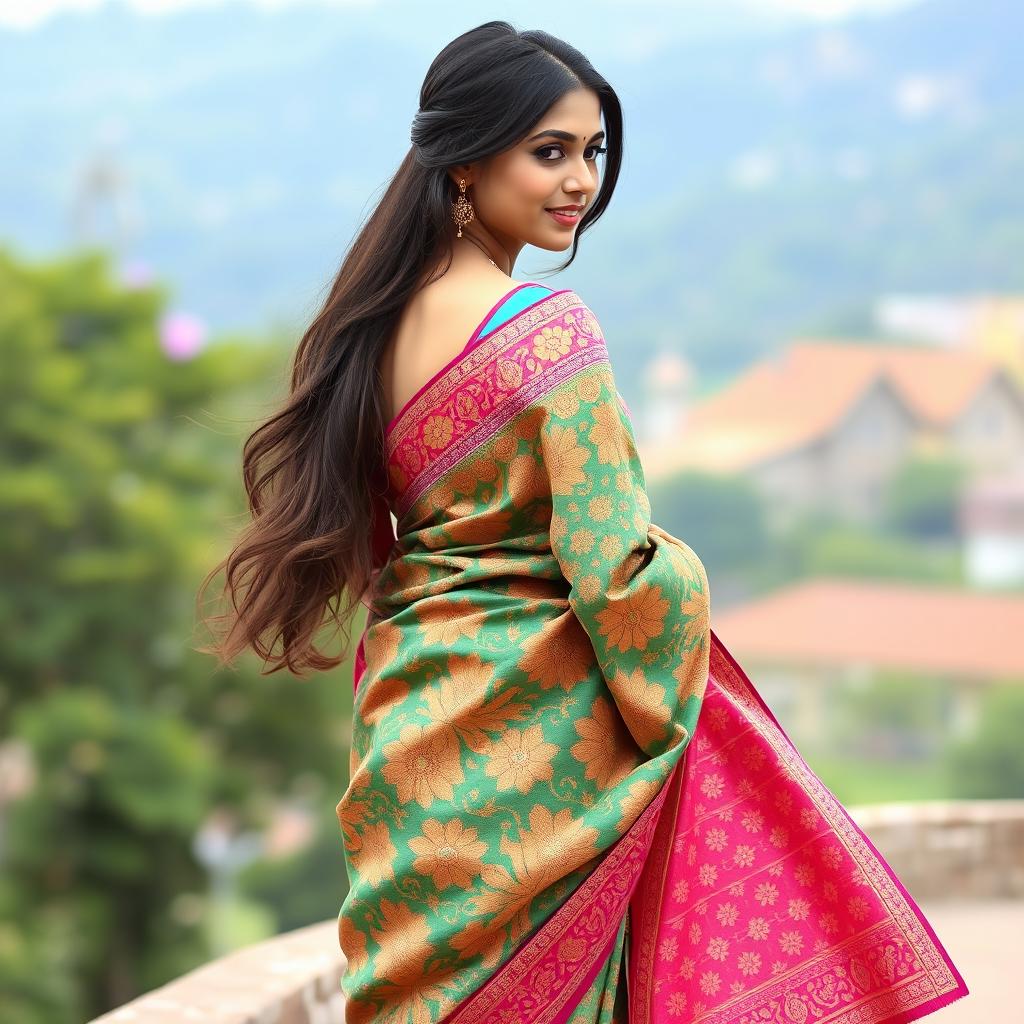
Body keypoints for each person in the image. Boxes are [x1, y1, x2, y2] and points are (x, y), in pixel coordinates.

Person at [198, 21, 969, 1024]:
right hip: (543, 750)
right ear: (466, 161)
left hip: (412, 730)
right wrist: (681, 606)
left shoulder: (371, 326)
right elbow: (613, 567)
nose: (579, 181)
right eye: (549, 151)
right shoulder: (548, 332)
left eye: (592, 152)